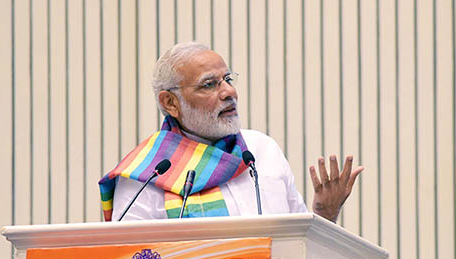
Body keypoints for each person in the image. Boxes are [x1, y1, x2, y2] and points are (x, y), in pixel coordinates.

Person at [99, 42, 363, 222]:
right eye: (209, 85)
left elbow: (301, 249)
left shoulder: (261, 150)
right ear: (170, 103)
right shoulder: (147, 174)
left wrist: (323, 213)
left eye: (228, 79)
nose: (228, 92)